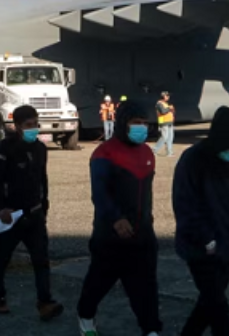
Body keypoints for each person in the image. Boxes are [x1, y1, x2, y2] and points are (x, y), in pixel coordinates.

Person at [77, 102, 162, 336]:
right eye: (136, 123)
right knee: (98, 283)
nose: (141, 128)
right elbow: (100, 193)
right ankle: (85, 316)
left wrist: (147, 223)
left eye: (145, 123)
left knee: (145, 287)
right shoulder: (104, 153)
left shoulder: (147, 153)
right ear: (123, 124)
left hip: (142, 234)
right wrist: (116, 219)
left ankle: (151, 329)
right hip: (110, 235)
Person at [172, 106, 229, 336]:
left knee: (208, 303)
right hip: (202, 247)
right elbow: (186, 204)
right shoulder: (194, 160)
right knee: (218, 309)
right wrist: (207, 239)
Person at [0, 105, 62, 321]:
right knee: (3, 257)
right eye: (29, 125)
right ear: (18, 126)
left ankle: (45, 302)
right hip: (11, 215)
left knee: (41, 260)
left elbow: (43, 179)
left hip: (35, 214)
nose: (34, 129)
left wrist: (44, 205)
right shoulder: (6, 148)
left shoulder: (40, 148)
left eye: (36, 125)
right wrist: (0, 208)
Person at [154, 92, 176, 157]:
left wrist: (172, 110)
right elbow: (163, 111)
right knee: (164, 137)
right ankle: (154, 150)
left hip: (169, 122)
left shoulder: (165, 103)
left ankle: (169, 152)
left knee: (170, 138)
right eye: (167, 96)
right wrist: (169, 108)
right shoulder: (159, 104)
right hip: (164, 122)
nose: (168, 97)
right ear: (163, 96)